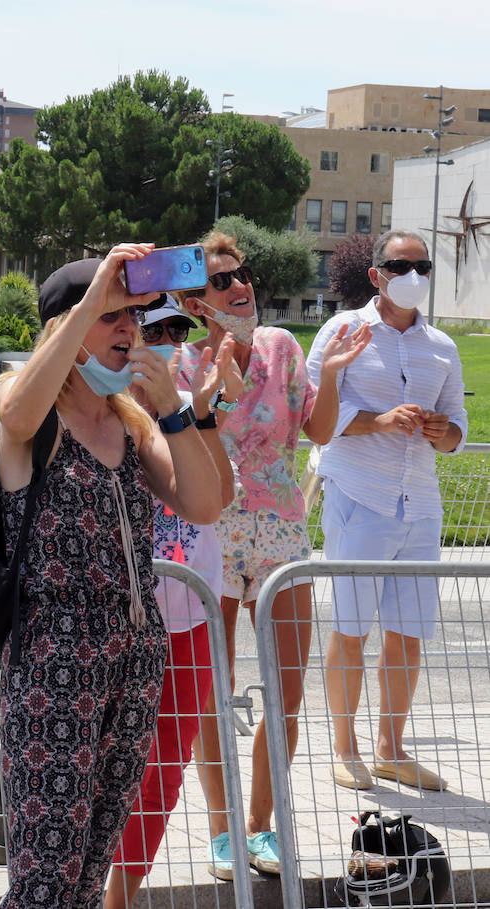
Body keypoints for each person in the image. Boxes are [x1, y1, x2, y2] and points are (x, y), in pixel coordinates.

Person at [0, 251, 221, 908]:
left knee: (91, 871)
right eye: (111, 315)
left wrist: (175, 409)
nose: (129, 328)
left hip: (135, 654)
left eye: (134, 316)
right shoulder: (25, 400)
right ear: (67, 322)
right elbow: (14, 419)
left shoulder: (130, 418)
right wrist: (94, 293)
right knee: (45, 876)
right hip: (55, 660)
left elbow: (203, 504)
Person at [177, 231, 370, 879]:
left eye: (243, 274)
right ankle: (224, 829)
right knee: (213, 689)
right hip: (214, 532)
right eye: (223, 281)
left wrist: (334, 375)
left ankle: (262, 824)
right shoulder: (181, 363)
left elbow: (315, 429)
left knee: (285, 691)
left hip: (283, 529)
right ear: (195, 303)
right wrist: (219, 387)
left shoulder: (282, 346)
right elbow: (182, 441)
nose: (241, 286)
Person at [309, 230, 467, 793]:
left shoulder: (442, 347)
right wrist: (377, 421)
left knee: (408, 633)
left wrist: (444, 431)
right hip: (360, 498)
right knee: (351, 628)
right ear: (376, 274)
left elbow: (457, 430)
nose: (414, 273)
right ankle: (345, 748)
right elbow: (314, 415)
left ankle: (390, 750)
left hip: (420, 506)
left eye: (422, 265)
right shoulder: (341, 330)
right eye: (402, 264)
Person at [105, 295, 240, 909]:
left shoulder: (183, 406)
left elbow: (221, 494)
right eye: (150, 327)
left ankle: (120, 897)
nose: (163, 340)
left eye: (174, 330)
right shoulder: (97, 405)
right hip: (115, 618)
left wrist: (201, 411)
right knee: (98, 761)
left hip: (188, 618)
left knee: (162, 770)